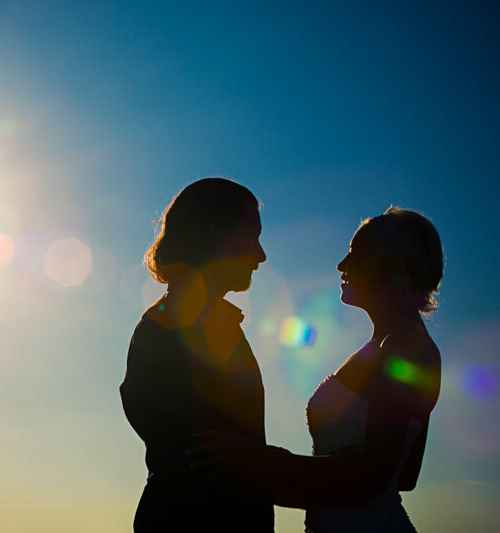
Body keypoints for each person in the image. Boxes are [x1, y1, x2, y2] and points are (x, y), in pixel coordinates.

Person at [188, 207, 443, 532]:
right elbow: (403, 476)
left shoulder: (405, 350)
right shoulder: (400, 345)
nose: (341, 265)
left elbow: (372, 477)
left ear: (391, 266)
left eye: (355, 254)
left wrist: (257, 461)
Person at [120, 178, 272, 532]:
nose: (260, 254)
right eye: (252, 235)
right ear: (214, 234)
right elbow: (204, 456)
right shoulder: (175, 326)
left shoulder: (207, 322)